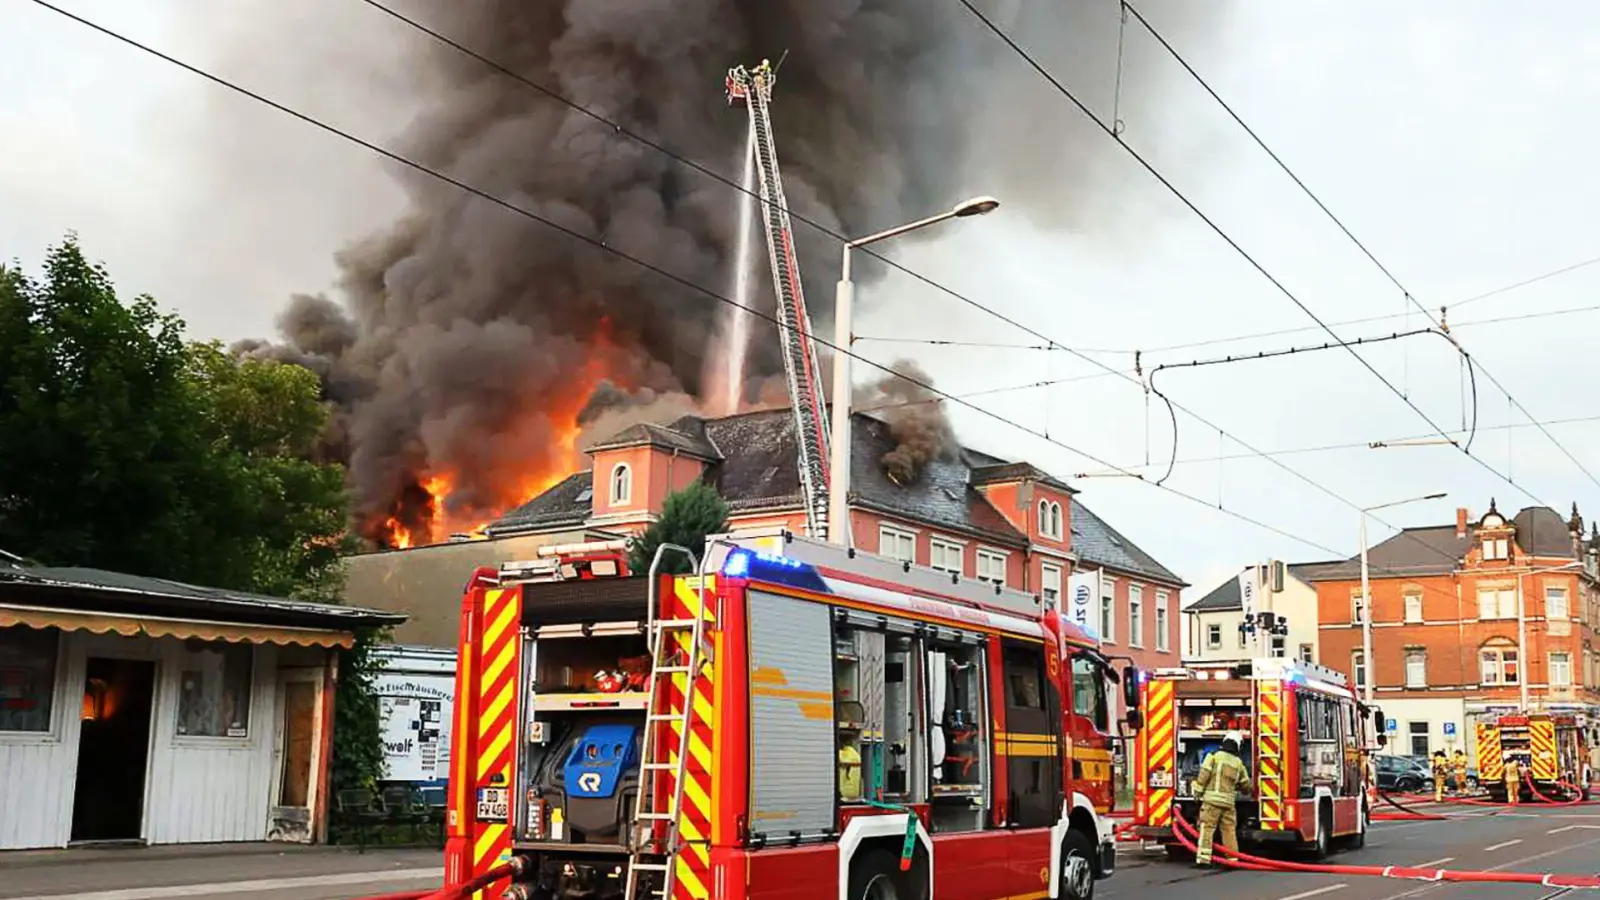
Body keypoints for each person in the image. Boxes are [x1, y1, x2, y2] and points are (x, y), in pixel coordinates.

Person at [1193, 731, 1251, 867]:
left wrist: (1197, 794)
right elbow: (1246, 786)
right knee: (1229, 831)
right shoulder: (1238, 764)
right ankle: (1232, 860)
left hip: (1211, 802)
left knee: (1207, 828)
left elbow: (1203, 776)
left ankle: (1203, 859)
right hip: (1228, 804)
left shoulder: (1213, 757)